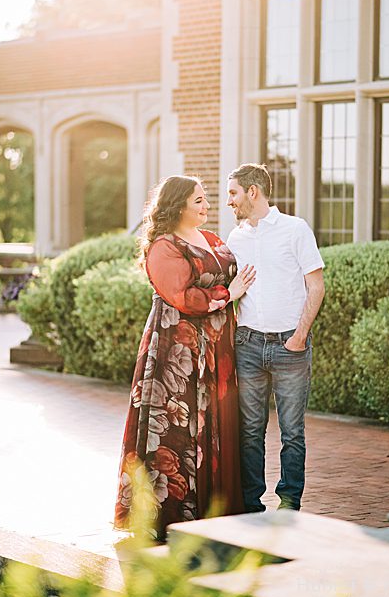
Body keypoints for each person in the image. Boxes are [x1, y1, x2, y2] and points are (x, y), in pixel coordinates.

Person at [115, 176, 254, 540]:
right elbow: (182, 296)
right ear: (178, 205)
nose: (208, 205)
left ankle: (217, 512)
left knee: (216, 421)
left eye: (206, 199)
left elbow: (235, 270)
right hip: (178, 350)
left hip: (218, 347)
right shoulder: (163, 246)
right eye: (199, 200)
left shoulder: (212, 240)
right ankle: (172, 517)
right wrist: (229, 293)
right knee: (179, 425)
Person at [226, 163, 325, 513]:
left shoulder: (295, 229)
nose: (229, 202)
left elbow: (316, 285)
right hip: (248, 345)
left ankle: (288, 505)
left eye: (233, 193)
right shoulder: (234, 238)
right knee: (250, 432)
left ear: (253, 192)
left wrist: (299, 337)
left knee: (292, 432)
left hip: (290, 347)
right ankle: (252, 506)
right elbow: (230, 292)